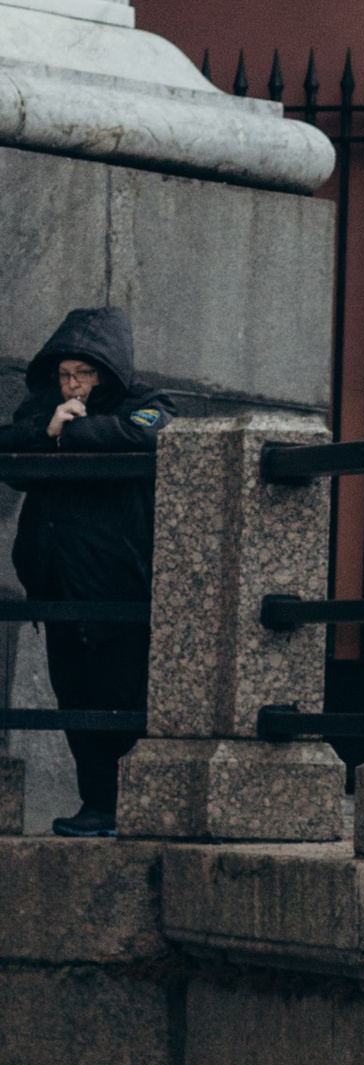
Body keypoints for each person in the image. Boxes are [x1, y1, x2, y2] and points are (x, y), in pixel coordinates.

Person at [1, 306, 169, 835]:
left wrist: (68, 436)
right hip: (54, 583)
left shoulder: (146, 403)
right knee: (72, 695)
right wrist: (48, 429)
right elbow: (11, 444)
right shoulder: (43, 408)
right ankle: (95, 804)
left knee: (120, 695)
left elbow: (147, 434)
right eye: (66, 375)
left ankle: (125, 806)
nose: (73, 385)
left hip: (118, 585)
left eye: (84, 374)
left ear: (109, 372)